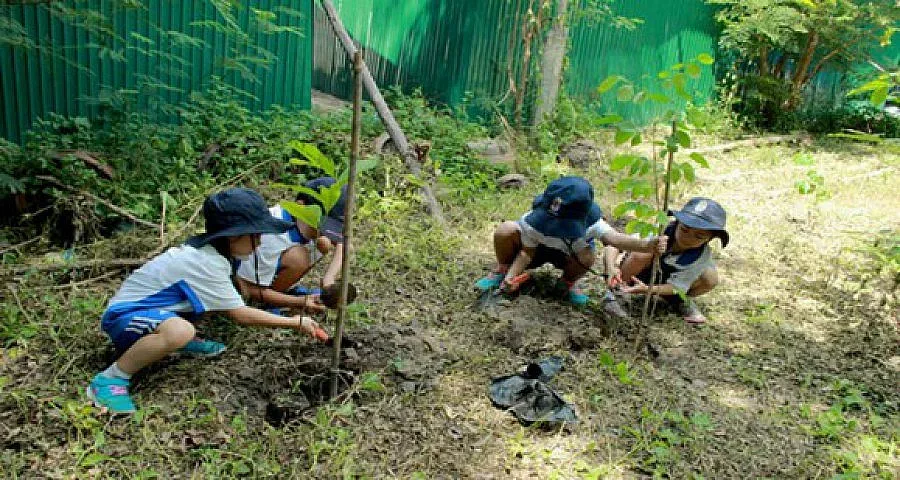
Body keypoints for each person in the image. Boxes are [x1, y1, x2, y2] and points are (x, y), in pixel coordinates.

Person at [86, 188, 324, 414]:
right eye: (256, 235)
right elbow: (240, 314)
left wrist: (296, 301)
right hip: (124, 317)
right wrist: (295, 322)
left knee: (210, 306)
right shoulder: (205, 263)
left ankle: (179, 339)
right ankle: (112, 378)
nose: (260, 243)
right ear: (234, 237)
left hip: (156, 311)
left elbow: (238, 293)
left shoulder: (219, 255)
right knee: (180, 330)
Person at [474, 176, 667, 307]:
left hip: (569, 257)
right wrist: (512, 275)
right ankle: (502, 271)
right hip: (537, 252)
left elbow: (615, 239)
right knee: (506, 229)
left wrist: (647, 245)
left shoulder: (591, 223)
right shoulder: (534, 221)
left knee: (587, 255)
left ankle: (567, 283)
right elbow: (526, 252)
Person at [234, 177, 347, 312]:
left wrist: (329, 277)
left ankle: (279, 292)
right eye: (321, 224)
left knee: (323, 243)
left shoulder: (302, 223)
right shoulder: (271, 236)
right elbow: (248, 288)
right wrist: (299, 302)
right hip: (245, 282)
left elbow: (344, 244)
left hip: (268, 270)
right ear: (300, 206)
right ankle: (270, 301)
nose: (326, 231)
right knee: (299, 257)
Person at [609, 197, 728, 324]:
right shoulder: (660, 232)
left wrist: (649, 289)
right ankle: (618, 291)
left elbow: (677, 286)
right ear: (677, 223)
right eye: (684, 230)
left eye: (699, 236)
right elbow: (616, 244)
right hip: (636, 272)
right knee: (643, 253)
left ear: (709, 239)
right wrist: (612, 266)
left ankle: (677, 301)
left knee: (710, 278)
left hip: (667, 281)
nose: (688, 238)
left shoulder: (701, 255)